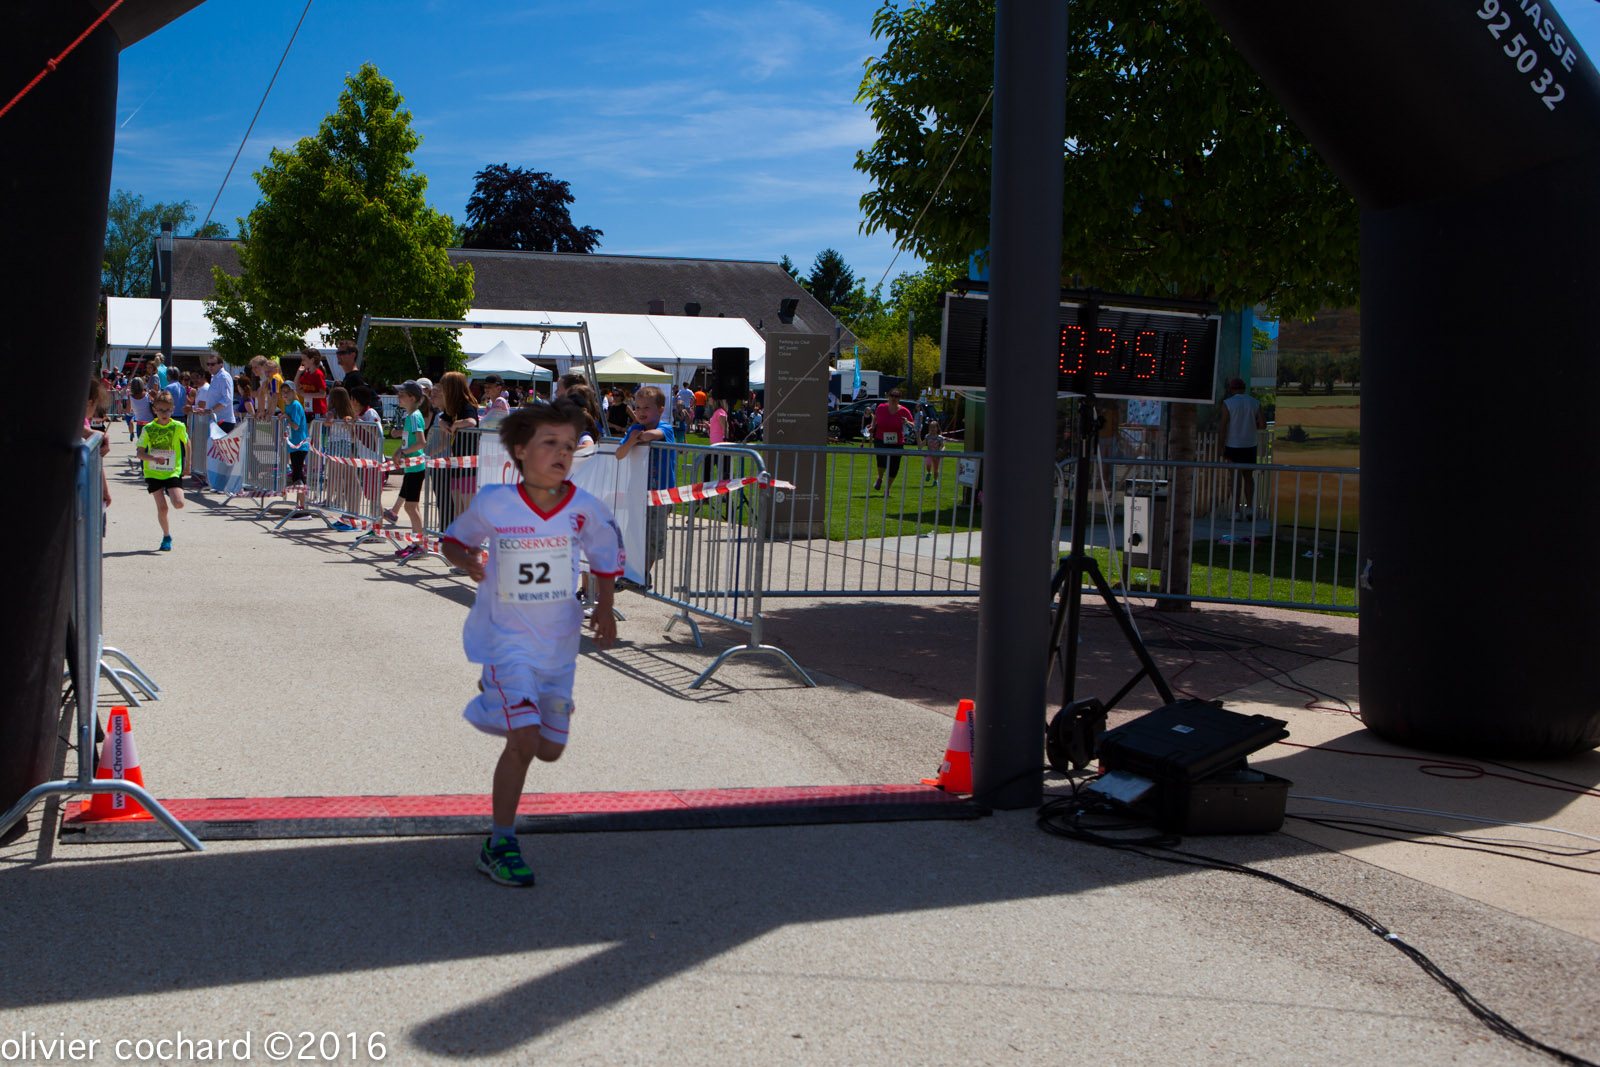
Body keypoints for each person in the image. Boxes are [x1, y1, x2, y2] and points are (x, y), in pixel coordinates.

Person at [439, 399, 623, 886]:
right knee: (522, 740)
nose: (562, 453)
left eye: (570, 445)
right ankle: (500, 843)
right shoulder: (495, 502)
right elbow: (452, 540)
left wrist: (605, 607)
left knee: (549, 749)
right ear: (520, 451)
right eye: (550, 443)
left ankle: (510, 702)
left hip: (559, 649)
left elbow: (605, 557)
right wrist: (466, 560)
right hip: (507, 641)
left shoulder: (584, 508)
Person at [614, 384, 676, 573]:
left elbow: (652, 435)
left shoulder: (666, 427)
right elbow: (619, 453)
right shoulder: (635, 429)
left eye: (647, 408)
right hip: (637, 491)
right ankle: (634, 573)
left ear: (661, 409)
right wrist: (631, 440)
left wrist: (635, 437)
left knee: (654, 536)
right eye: (638, 407)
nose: (640, 412)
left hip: (660, 493)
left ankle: (643, 574)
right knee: (634, 533)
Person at [135, 390, 190, 551]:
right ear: (154, 410)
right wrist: (152, 458)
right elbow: (140, 453)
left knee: (179, 504)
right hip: (153, 472)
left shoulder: (178, 426)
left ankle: (170, 490)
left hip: (172, 470)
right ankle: (166, 536)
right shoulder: (148, 429)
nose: (164, 414)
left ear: (173, 409)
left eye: (167, 410)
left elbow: (187, 443)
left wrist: (188, 464)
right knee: (163, 508)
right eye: (160, 410)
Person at [384, 381, 429, 560]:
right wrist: (398, 451)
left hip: (416, 467)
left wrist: (402, 452)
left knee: (411, 506)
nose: (398, 397)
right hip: (411, 467)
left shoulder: (415, 416)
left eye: (402, 394)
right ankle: (416, 542)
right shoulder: (410, 416)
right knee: (412, 506)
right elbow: (407, 441)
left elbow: (421, 442)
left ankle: (419, 544)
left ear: (412, 398)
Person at [1217, 377, 1266, 519]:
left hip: (1233, 445)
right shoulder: (1254, 402)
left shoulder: (1228, 403)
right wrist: (1251, 428)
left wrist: (1221, 446)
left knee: (1235, 478)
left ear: (1231, 389)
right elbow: (1263, 424)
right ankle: (1249, 508)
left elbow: (1223, 425)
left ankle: (1236, 510)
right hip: (1250, 444)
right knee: (1248, 477)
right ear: (1244, 388)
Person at [869, 388, 911, 492]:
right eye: (892, 396)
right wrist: (872, 427)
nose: (893, 398)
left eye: (896, 396)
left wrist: (906, 422)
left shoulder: (904, 411)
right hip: (881, 438)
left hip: (897, 442)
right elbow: (876, 418)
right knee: (881, 460)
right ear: (888, 397)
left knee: (894, 466)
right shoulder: (881, 407)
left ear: (899, 399)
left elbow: (913, 424)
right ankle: (880, 478)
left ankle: (887, 488)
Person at [192, 355, 236, 432]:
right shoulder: (214, 377)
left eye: (212, 364)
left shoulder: (224, 377)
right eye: (208, 364)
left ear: (220, 365)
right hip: (216, 420)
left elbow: (226, 399)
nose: (210, 367)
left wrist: (210, 410)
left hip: (224, 421)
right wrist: (205, 410)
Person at [295, 349, 328, 420]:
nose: (302, 362)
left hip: (317, 411)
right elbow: (296, 387)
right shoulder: (306, 374)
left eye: (304, 359)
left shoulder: (318, 374)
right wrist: (298, 373)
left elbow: (322, 394)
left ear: (312, 360)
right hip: (308, 410)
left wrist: (305, 394)